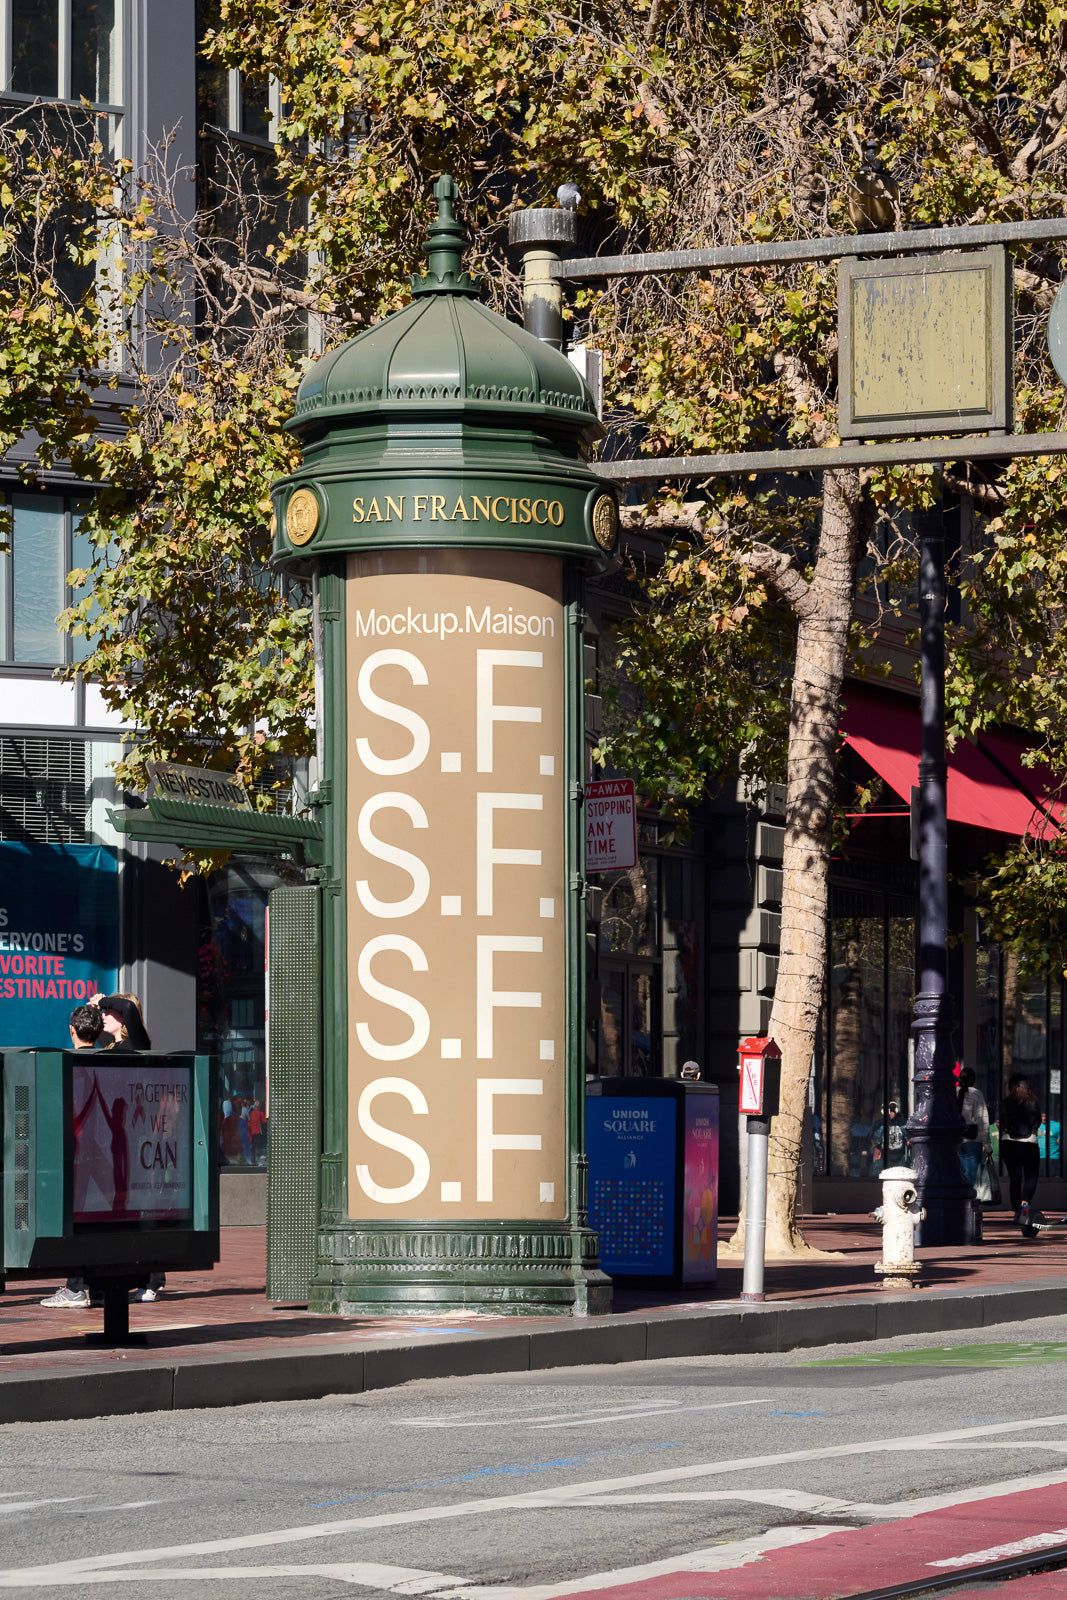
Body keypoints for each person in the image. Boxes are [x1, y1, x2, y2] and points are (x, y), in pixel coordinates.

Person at [41, 1005, 103, 1308]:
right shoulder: (109, 1063)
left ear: (71, 1030)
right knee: (99, 1220)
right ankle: (99, 1285)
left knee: (74, 1221)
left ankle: (76, 1287)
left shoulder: (67, 1066)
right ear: (99, 1032)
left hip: (77, 1153)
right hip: (102, 1152)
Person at [1000, 1073, 1043, 1222]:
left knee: (1015, 1178)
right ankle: (1025, 1205)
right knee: (1031, 1176)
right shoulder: (1033, 1102)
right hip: (1029, 1143)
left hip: (1009, 1143)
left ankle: (1017, 1211)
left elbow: (1003, 1122)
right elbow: (1037, 1122)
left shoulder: (1006, 1103)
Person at [957, 1066, 992, 1196]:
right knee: (970, 1176)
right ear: (973, 1080)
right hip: (973, 1139)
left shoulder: (953, 1093)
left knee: (958, 1174)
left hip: (956, 1140)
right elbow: (983, 1120)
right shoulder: (977, 1094)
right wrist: (987, 1145)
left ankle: (958, 1203)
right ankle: (967, 1203)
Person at [869, 1099, 908, 1174]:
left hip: (899, 1156)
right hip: (883, 1156)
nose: (891, 1114)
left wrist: (908, 1140)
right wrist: (876, 1148)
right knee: (878, 1177)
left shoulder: (902, 1123)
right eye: (890, 1111)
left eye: (893, 1111)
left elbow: (908, 1137)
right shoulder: (880, 1123)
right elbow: (873, 1138)